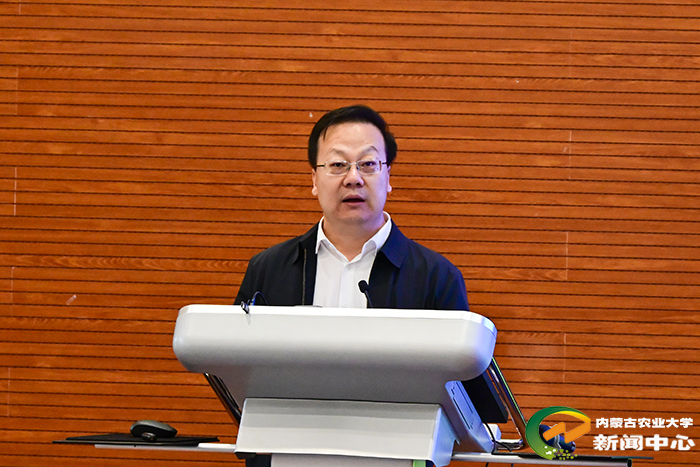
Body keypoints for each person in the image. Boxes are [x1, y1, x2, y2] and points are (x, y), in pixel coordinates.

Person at [235, 104, 468, 311]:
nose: (353, 178)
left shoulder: (437, 279)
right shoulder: (268, 270)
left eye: (368, 164)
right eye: (338, 164)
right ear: (314, 180)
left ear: (387, 177)